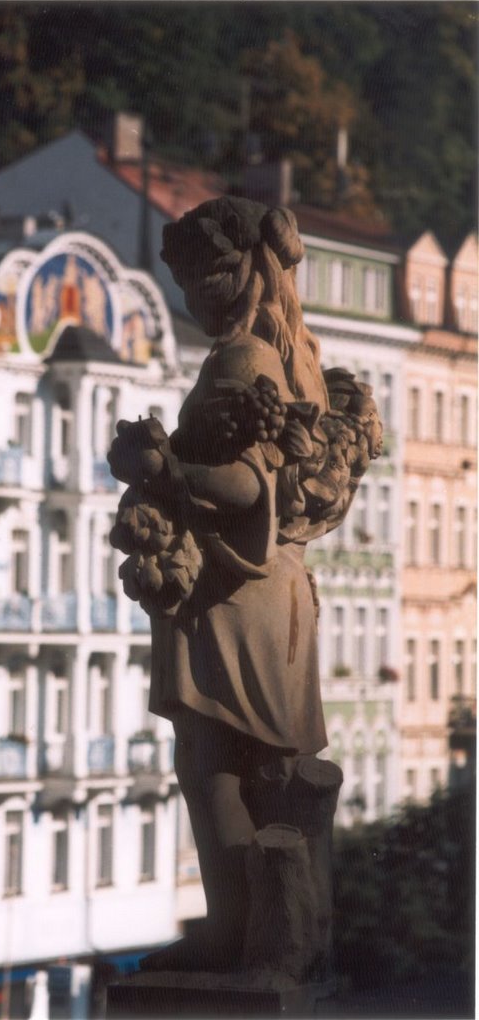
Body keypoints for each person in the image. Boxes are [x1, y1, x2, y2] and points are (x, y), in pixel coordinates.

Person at [108, 196, 382, 976]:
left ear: (241, 273)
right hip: (273, 591)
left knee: (211, 769)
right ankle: (278, 933)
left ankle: (234, 932)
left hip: (236, 595)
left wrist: (160, 470)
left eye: (204, 278)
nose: (194, 299)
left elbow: (243, 485)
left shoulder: (239, 363)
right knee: (267, 778)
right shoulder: (292, 357)